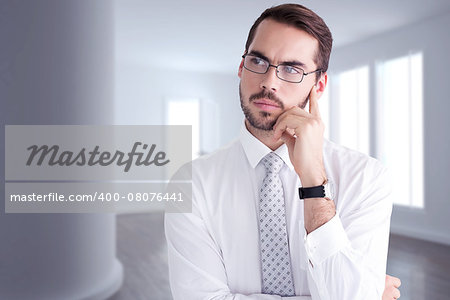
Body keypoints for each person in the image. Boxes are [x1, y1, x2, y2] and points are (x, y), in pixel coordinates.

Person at [165, 4, 401, 299]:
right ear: (241, 68)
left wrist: (314, 183)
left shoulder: (367, 178)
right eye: (258, 61)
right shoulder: (190, 183)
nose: (269, 82)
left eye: (292, 69)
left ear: (319, 85)